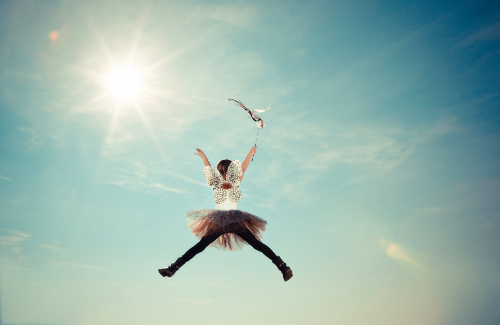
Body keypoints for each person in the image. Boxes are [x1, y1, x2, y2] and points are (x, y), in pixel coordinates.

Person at [158, 146, 293, 282]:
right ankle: (282, 267)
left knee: (200, 246)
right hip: (235, 220)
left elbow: (209, 170)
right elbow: (243, 168)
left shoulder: (215, 182)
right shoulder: (235, 181)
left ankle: (173, 268)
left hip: (219, 221)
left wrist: (204, 158)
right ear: (232, 170)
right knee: (257, 244)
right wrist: (250, 153)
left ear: (219, 171)